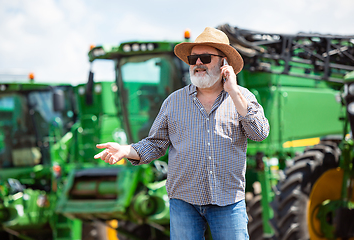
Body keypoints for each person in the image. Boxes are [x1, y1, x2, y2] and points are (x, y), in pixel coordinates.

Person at [94, 27, 270, 240]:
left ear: (224, 63)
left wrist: (233, 91)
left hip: (228, 201)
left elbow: (259, 133)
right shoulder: (174, 101)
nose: (197, 63)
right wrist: (126, 150)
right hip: (184, 203)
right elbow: (155, 144)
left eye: (205, 57)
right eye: (193, 58)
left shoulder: (243, 98)